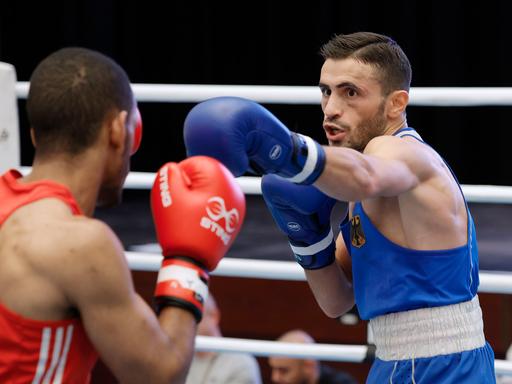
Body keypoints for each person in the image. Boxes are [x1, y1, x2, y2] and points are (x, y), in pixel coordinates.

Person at [183, 31, 496, 383]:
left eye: (350, 92)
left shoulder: (401, 152)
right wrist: (308, 239)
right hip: (394, 362)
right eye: (325, 91)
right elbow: (337, 301)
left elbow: (367, 175)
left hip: (441, 366)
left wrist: (288, 152)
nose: (331, 108)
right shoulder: (357, 186)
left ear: (396, 103)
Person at [0, 47, 246, 383]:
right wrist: (189, 262)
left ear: (34, 134)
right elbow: (160, 374)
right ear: (119, 130)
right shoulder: (79, 244)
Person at [186, 293, 262, 384]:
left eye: (193, 316)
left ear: (214, 316)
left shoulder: (241, 362)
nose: (185, 324)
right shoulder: (180, 359)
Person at [268, 329, 357, 384]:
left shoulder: (341, 382)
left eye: (284, 370)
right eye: (273, 369)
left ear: (308, 365)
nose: (275, 378)